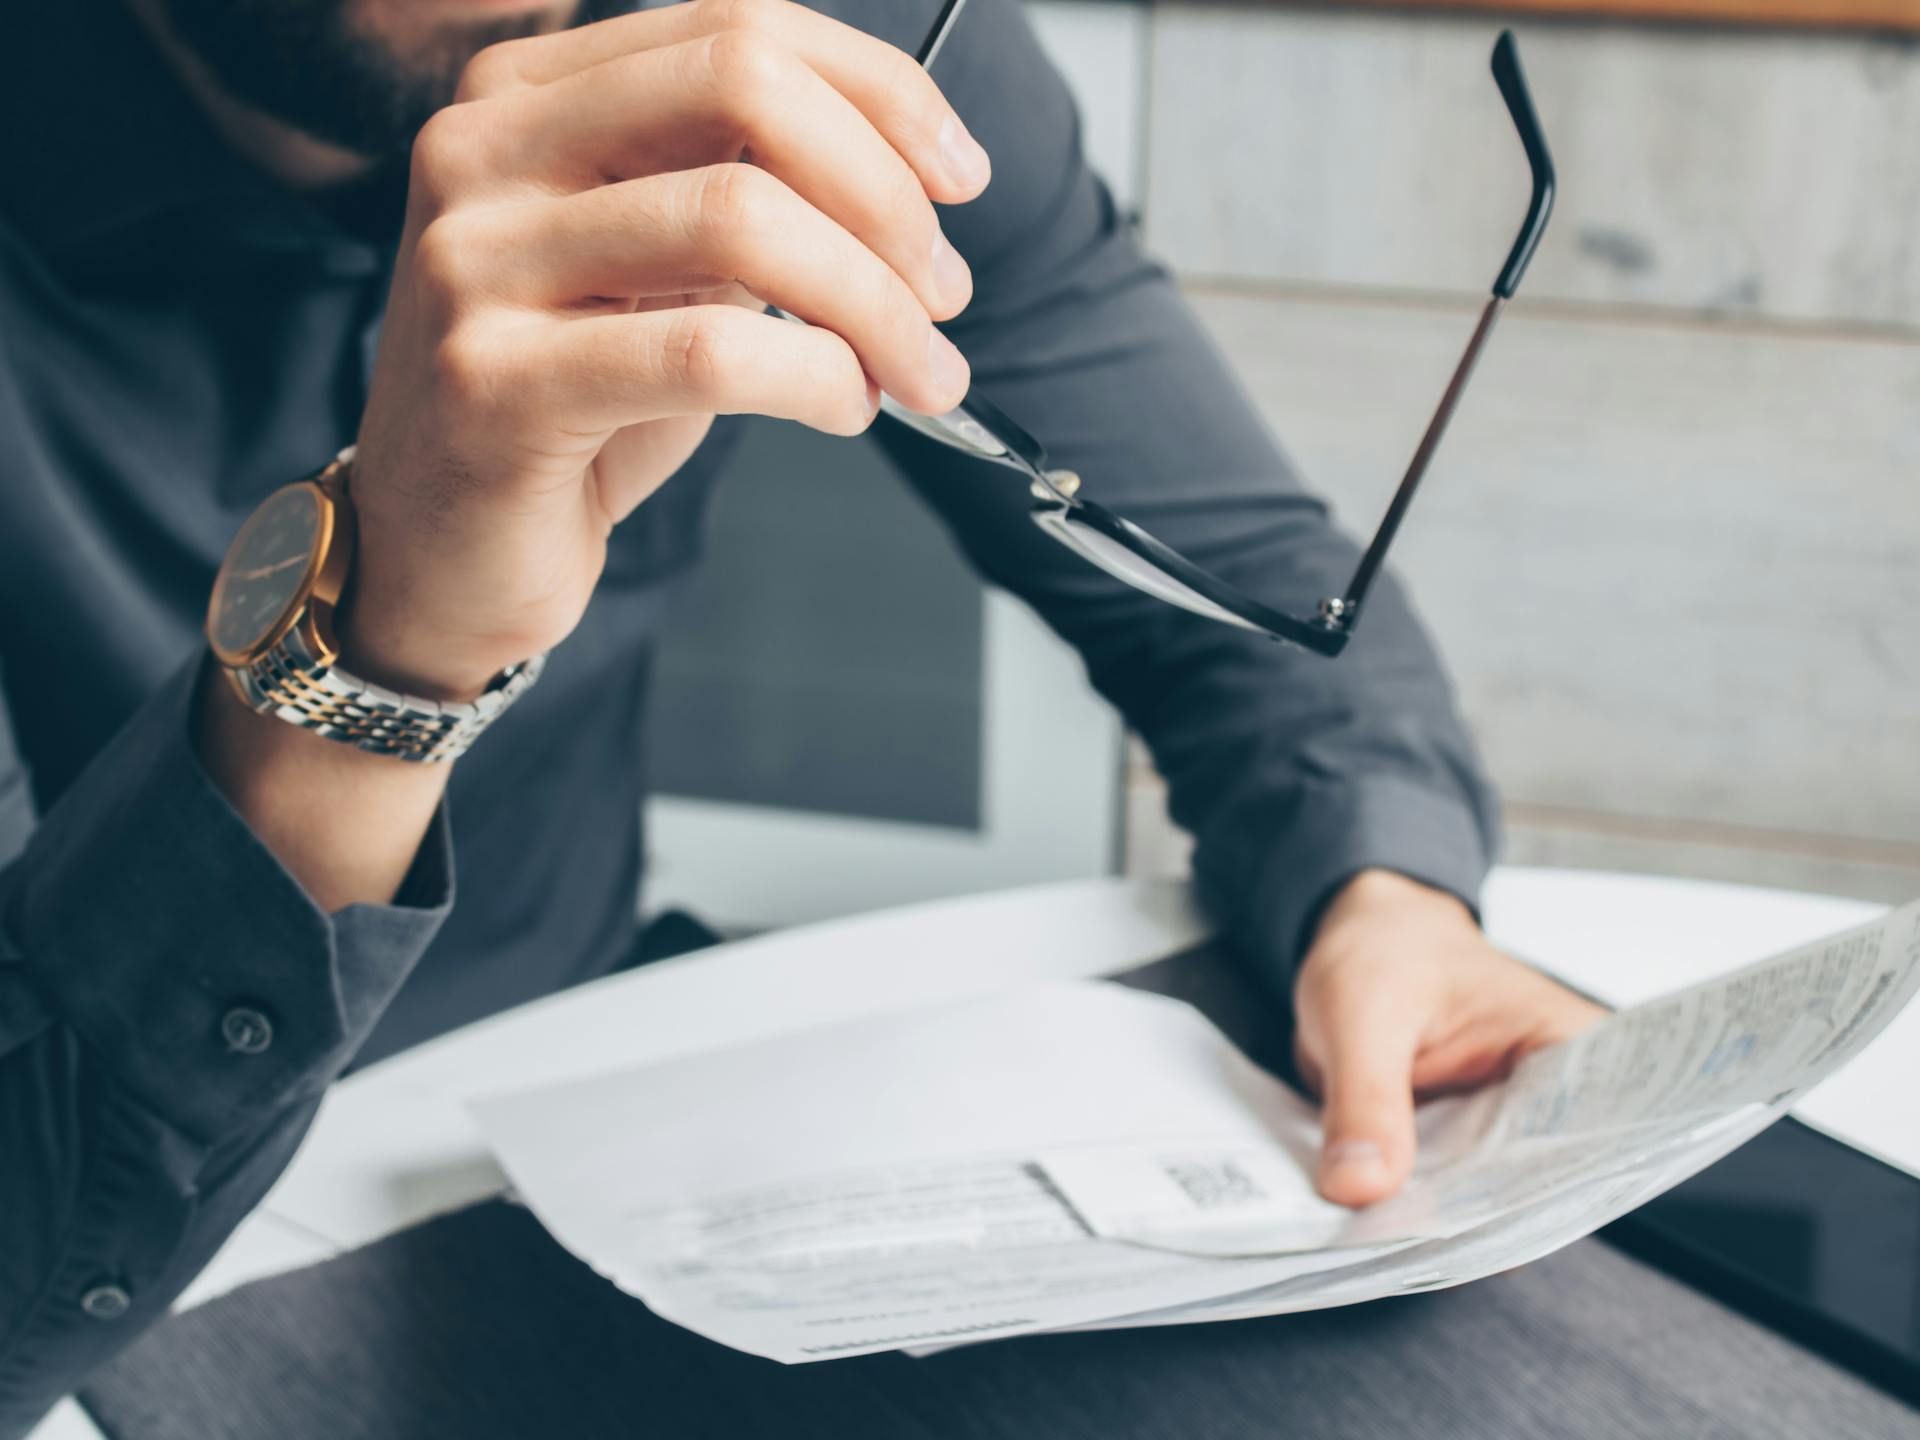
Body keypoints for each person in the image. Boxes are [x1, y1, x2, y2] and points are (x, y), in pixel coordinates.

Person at [0, 0, 1601, 1426]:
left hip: (563, 1126)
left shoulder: (825, 37)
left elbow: (1251, 597)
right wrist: (383, 646)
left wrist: (1382, 889)